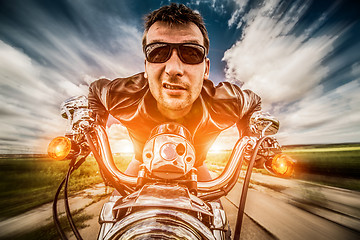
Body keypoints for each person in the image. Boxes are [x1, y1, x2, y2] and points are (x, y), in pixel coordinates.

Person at [88, 3, 261, 181]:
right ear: (146, 67)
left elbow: (253, 102)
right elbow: (95, 90)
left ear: (206, 69)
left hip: (196, 165)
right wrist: (93, 128)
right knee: (117, 206)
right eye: (157, 52)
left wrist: (251, 138)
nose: (173, 69)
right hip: (141, 161)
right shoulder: (122, 94)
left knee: (214, 206)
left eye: (192, 53)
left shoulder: (227, 102)